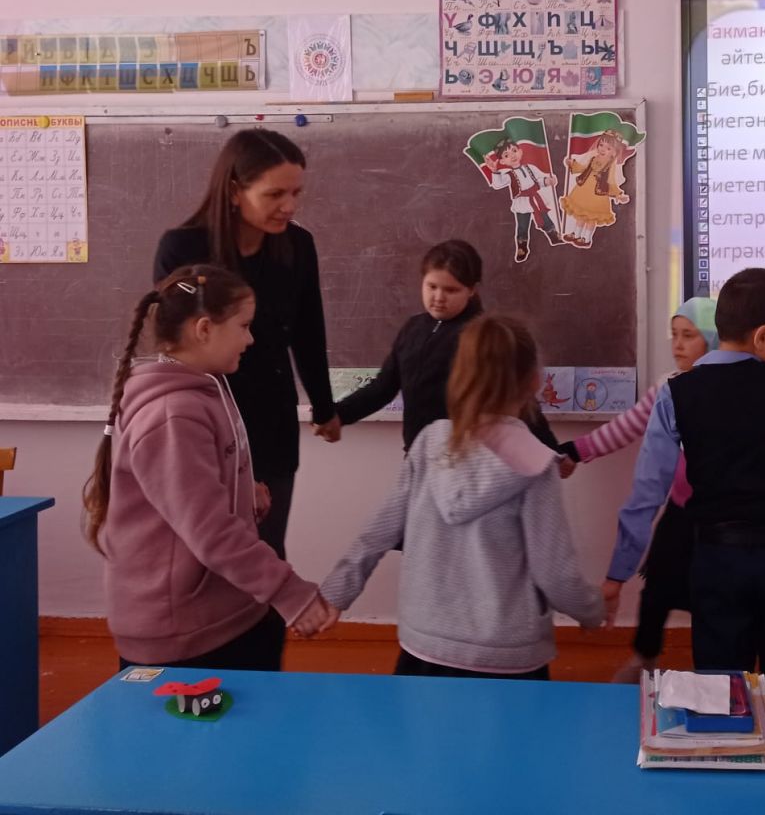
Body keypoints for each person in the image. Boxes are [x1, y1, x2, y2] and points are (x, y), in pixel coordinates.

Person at [605, 269, 765, 815]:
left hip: (719, 563)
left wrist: (619, 570)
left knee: (721, 697)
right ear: (764, 336)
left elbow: (647, 492)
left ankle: (729, 802)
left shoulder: (677, 394)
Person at [82, 266, 337, 670]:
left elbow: (191, 494)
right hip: (185, 636)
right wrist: (290, 592)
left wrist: (241, 492)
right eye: (244, 326)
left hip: (222, 612)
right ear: (204, 329)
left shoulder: (205, 387)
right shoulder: (173, 414)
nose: (250, 339)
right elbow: (210, 529)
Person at [320, 315, 604, 678]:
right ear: (534, 381)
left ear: (459, 375)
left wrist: (337, 591)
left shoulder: (429, 443)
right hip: (508, 657)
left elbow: (378, 531)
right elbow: (555, 575)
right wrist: (592, 611)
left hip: (424, 646)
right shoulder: (536, 463)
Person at [153, 128, 336, 562]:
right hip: (202, 420)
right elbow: (175, 348)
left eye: (296, 192)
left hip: (271, 421)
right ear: (235, 191)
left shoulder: (298, 245)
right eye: (275, 194)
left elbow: (309, 329)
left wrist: (324, 407)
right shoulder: (183, 248)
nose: (289, 206)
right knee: (205, 557)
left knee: (266, 553)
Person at [560, 297, 718, 681]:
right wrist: (576, 451)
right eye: (674, 335)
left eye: (689, 335)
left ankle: (713, 676)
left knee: (712, 599)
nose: (678, 345)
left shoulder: (731, 389)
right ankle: (644, 658)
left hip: (722, 520)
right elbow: (626, 427)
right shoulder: (668, 387)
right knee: (657, 589)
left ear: (713, 340)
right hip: (680, 512)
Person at [336, 240, 484, 451]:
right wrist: (337, 414)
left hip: (465, 457)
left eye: (451, 290)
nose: (438, 298)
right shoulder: (414, 329)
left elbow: (512, 401)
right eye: (432, 286)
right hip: (416, 454)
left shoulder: (483, 336)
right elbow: (384, 387)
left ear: (471, 290)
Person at [484, 138, 563, 262]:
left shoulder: (530, 168)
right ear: (503, 161)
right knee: (522, 225)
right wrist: (494, 171)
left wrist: (548, 181)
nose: (512, 156)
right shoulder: (509, 175)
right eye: (506, 155)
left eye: (514, 151)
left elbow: (539, 181)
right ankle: (522, 246)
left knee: (545, 218)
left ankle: (553, 235)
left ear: (520, 151)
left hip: (536, 199)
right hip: (522, 202)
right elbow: (497, 184)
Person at [560, 130, 629, 247]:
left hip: (597, 195)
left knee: (591, 218)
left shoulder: (610, 165)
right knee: (581, 214)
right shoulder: (593, 158)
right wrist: (572, 164)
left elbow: (611, 181)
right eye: (601, 145)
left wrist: (618, 194)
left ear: (614, 153)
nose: (602, 149)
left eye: (608, 148)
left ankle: (586, 238)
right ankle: (576, 234)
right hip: (583, 191)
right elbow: (583, 168)